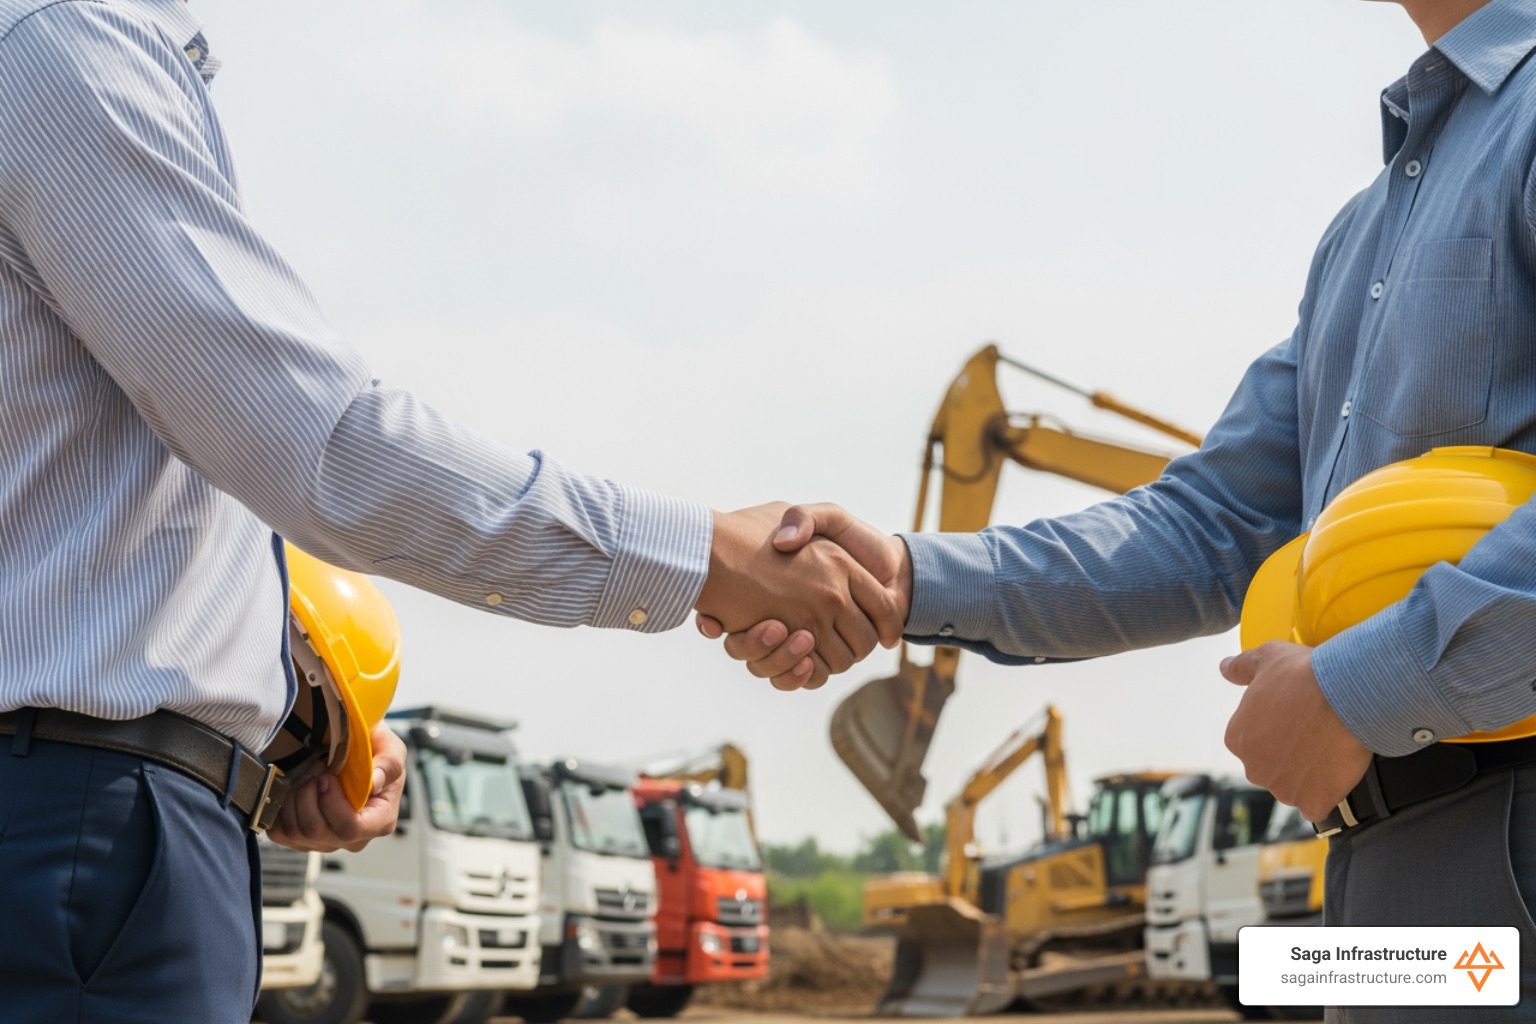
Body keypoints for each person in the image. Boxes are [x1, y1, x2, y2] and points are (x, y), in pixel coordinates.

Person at [0, 1, 901, 1020]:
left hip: (79, 814)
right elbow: (324, 448)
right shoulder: (63, 45)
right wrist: (704, 556)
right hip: (86, 829)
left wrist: (291, 729)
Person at [709, 0, 1536, 1019]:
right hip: (1380, 865)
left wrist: (1357, 688)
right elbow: (1206, 525)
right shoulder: (1360, 238)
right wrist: (902, 576)